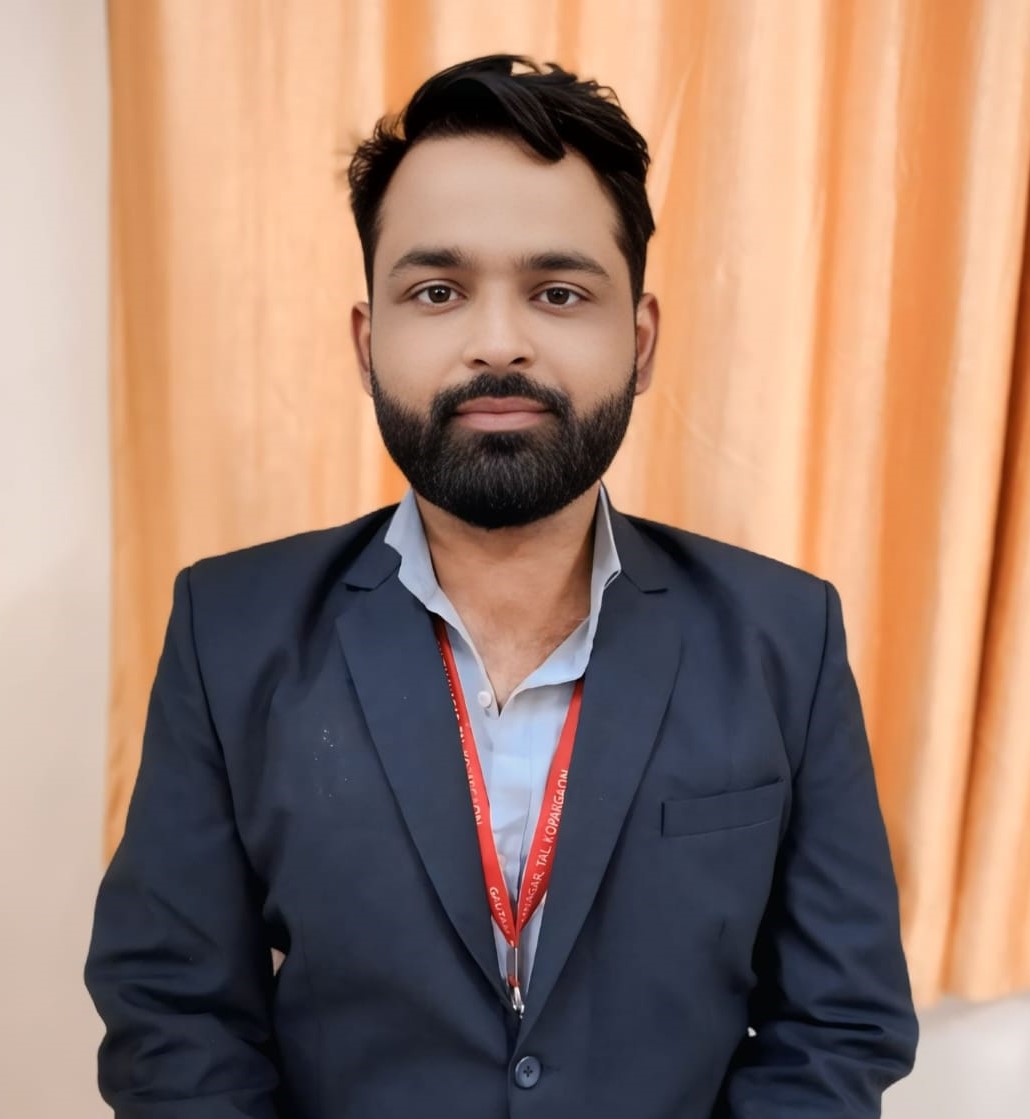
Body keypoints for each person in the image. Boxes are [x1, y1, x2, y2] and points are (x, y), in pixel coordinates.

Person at [85, 53, 918, 1118]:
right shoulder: (231, 631)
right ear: (367, 341)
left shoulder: (784, 638)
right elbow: (174, 1016)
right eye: (437, 292)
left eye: (558, 292)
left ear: (641, 342)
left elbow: (838, 1025)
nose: (497, 344)